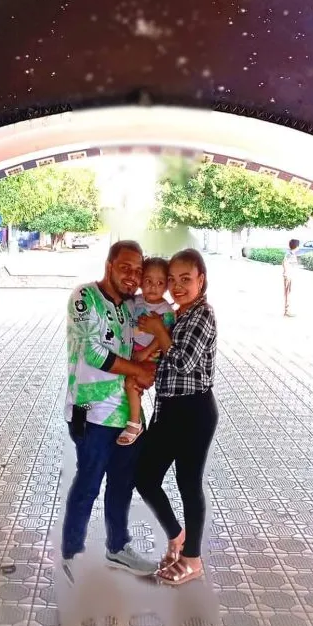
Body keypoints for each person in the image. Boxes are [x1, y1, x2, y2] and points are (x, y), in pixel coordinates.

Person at [61, 240, 158, 580]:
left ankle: (117, 548)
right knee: (88, 483)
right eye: (125, 268)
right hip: (91, 413)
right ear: (109, 265)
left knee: (122, 484)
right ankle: (72, 554)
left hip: (126, 416)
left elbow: (142, 344)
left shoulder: (131, 308)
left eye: (137, 271)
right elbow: (94, 353)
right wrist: (138, 371)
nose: (132, 276)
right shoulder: (85, 298)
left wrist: (149, 362)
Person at [135, 248, 218, 586]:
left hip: (194, 411)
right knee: (144, 476)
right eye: (173, 280)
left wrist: (158, 330)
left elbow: (183, 362)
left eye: (187, 279)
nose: (178, 286)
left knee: (188, 484)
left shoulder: (203, 315)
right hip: (169, 410)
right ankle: (177, 535)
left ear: (202, 280)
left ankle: (193, 559)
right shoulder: (179, 314)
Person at [117, 257, 175, 446]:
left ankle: (135, 422)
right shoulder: (136, 301)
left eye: (160, 283)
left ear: (166, 285)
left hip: (150, 356)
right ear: (141, 281)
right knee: (126, 381)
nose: (153, 287)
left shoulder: (165, 309)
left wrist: (145, 353)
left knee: (131, 382)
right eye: (148, 281)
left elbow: (163, 336)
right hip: (133, 353)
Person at [282, 238, 300, 317]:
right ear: (296, 246)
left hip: (290, 275)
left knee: (289, 292)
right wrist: (286, 273)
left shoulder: (292, 254)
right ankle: (287, 311)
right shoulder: (289, 254)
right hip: (288, 275)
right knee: (288, 293)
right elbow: (284, 263)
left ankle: (287, 310)